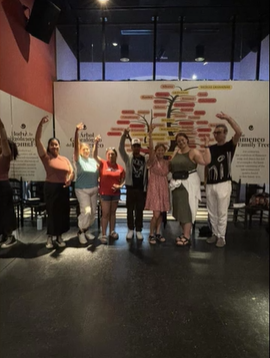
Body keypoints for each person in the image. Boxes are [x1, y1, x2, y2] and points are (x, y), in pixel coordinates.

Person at [35, 116, 74, 249]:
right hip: (51, 188)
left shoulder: (64, 159)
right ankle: (49, 238)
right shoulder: (46, 158)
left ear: (59, 146)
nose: (54, 146)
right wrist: (40, 124)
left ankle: (59, 237)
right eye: (52, 144)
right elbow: (37, 140)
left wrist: (70, 178)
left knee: (63, 213)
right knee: (52, 212)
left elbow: (71, 170)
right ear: (49, 147)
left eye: (56, 144)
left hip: (63, 188)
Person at [205, 112, 242, 248]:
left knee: (222, 211)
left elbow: (239, 132)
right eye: (215, 132)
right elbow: (207, 166)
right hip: (211, 184)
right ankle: (214, 233)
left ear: (225, 133)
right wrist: (206, 182)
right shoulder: (210, 148)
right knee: (211, 211)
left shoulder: (229, 146)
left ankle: (221, 236)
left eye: (219, 132)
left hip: (224, 183)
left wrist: (227, 118)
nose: (216, 134)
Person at [169, 132, 211, 246]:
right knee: (179, 210)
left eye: (183, 140)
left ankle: (187, 236)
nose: (181, 142)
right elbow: (170, 165)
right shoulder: (176, 152)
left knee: (187, 209)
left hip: (188, 184)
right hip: (177, 184)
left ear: (187, 140)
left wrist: (206, 146)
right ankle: (184, 233)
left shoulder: (193, 152)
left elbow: (206, 161)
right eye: (178, 141)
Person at [93, 135, 125, 244]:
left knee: (112, 213)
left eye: (113, 154)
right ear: (106, 155)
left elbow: (124, 179)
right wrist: (96, 143)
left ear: (116, 156)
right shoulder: (102, 164)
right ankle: (103, 234)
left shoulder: (120, 168)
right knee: (105, 213)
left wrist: (120, 186)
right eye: (109, 154)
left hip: (115, 194)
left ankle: (112, 231)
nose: (111, 155)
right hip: (105, 193)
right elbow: (94, 155)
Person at [119, 128, 148, 240]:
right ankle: (130, 229)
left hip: (141, 189)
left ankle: (139, 230)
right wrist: (124, 135)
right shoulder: (128, 158)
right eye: (134, 146)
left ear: (140, 147)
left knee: (139, 210)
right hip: (130, 188)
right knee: (130, 210)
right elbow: (121, 148)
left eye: (137, 146)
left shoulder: (144, 158)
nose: (136, 148)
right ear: (131, 147)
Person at [73, 123, 99, 244]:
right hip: (82, 190)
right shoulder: (78, 160)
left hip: (94, 189)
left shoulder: (93, 160)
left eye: (88, 149)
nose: (86, 151)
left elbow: (95, 152)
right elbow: (76, 146)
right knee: (86, 211)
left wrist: (96, 143)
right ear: (80, 150)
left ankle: (87, 229)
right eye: (84, 149)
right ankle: (81, 232)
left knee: (93, 212)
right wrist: (76, 131)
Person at [144, 125, 170, 245]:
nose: (160, 152)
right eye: (158, 150)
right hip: (154, 188)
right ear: (155, 151)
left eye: (162, 150)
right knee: (156, 213)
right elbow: (150, 148)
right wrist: (150, 135)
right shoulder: (152, 161)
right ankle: (150, 234)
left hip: (163, 188)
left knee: (161, 213)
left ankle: (158, 232)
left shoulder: (167, 162)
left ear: (164, 151)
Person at [0, 118, 19, 248]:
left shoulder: (6, 156)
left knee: (5, 212)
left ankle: (10, 236)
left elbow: (4, 140)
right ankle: (3, 235)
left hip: (2, 186)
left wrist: (1, 127)